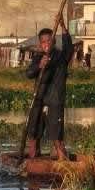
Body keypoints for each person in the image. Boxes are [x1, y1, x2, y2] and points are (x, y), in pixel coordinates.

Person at [24, 13, 75, 160]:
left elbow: (69, 49)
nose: (46, 44)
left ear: (53, 42)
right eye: (43, 42)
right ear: (40, 44)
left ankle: (63, 162)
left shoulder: (60, 57)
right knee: (33, 134)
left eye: (49, 41)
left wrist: (63, 26)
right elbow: (29, 73)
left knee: (56, 136)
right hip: (39, 99)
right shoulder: (38, 58)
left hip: (54, 100)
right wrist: (40, 66)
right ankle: (33, 163)